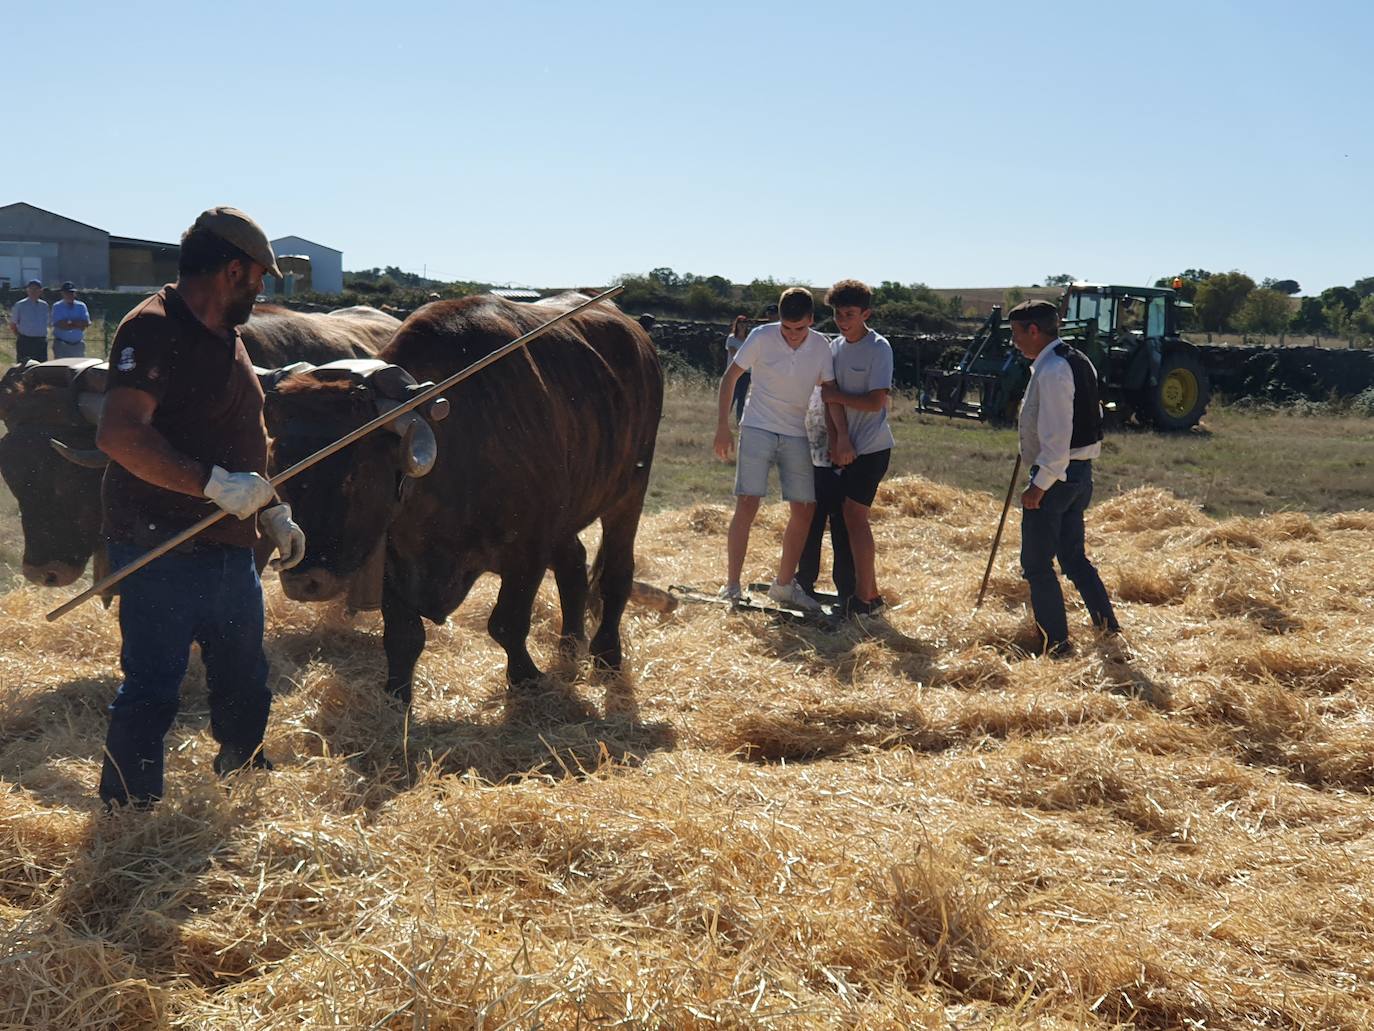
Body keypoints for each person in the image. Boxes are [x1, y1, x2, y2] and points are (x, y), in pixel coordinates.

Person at [95, 206, 307, 808]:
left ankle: (243, 769)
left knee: (244, 676)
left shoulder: (229, 337)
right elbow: (120, 434)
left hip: (228, 544)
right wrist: (210, 484)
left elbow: (245, 435)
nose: (262, 290)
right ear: (233, 270)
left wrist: (271, 507)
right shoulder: (153, 327)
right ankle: (130, 812)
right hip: (159, 543)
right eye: (259, 277)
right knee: (154, 686)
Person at [713, 287, 851, 611]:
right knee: (747, 502)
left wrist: (840, 436)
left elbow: (830, 392)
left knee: (804, 508)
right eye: (786, 328)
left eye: (799, 328)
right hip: (757, 427)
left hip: (795, 432)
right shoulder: (761, 337)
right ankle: (731, 586)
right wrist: (722, 426)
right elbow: (730, 377)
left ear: (811, 320)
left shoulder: (821, 346)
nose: (791, 335)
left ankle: (784, 586)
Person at [1009, 299, 1120, 657]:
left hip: (1058, 475)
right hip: (1079, 473)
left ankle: (1055, 644)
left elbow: (1058, 436)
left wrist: (1038, 485)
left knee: (1037, 564)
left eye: (1016, 333)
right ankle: (1108, 628)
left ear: (1034, 330)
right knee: (1073, 558)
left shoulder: (1054, 369)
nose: (1014, 342)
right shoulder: (1076, 359)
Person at [815, 279, 895, 616]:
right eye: (837, 314)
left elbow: (876, 402)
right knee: (846, 518)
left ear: (866, 314)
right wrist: (838, 440)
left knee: (855, 516)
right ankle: (867, 594)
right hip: (845, 446)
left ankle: (865, 599)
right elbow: (829, 400)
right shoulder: (834, 348)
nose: (842, 320)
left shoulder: (879, 348)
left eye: (849, 314)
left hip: (873, 447)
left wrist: (836, 396)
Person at [9, 279, 50, 363]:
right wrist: (20, 337)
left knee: (41, 366)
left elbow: (47, 322)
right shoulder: (20, 305)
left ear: (40, 291)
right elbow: (13, 324)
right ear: (27, 290)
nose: (33, 291)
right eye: (31, 289)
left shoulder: (44, 305)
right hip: (25, 341)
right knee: (24, 366)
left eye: (36, 289)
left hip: (40, 342)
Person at [50, 282, 91, 358]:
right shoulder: (57, 306)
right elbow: (60, 325)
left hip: (78, 345)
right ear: (62, 293)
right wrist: (78, 325)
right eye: (67, 293)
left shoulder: (81, 306)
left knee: (79, 365)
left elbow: (86, 323)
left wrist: (69, 323)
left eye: (72, 293)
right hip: (61, 345)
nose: (70, 295)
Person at [724, 315, 751, 423]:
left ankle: (739, 421)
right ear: (737, 324)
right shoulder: (732, 338)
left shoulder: (749, 339)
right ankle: (724, 420)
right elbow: (734, 354)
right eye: (740, 322)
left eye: (745, 322)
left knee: (742, 398)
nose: (742, 325)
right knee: (732, 396)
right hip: (734, 372)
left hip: (746, 372)